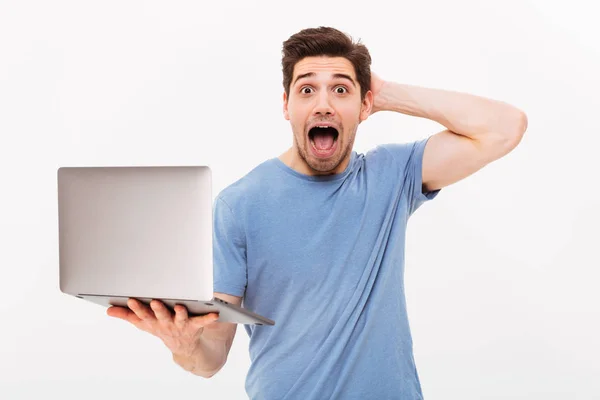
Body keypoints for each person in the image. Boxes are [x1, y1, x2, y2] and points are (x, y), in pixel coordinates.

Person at [107, 26, 528, 399]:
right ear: (287, 105)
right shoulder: (239, 205)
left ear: (364, 107)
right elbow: (210, 358)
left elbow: (505, 128)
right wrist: (183, 346)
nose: (323, 105)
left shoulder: (391, 175)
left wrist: (384, 94)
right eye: (307, 90)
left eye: (340, 90)